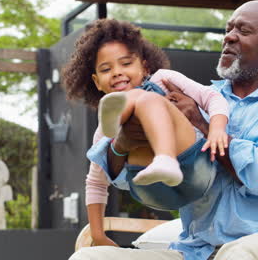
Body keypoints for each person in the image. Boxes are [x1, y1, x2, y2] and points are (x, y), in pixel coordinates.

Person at [70, 0, 258, 260]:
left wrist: (203, 125)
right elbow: (127, 182)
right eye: (229, 29)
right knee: (90, 258)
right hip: (192, 251)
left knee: (239, 254)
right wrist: (122, 144)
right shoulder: (200, 94)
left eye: (244, 31)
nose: (229, 37)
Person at [62, 18, 230, 246]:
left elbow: (211, 97)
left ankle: (164, 156)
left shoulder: (164, 79)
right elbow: (95, 183)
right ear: (96, 82)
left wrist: (217, 129)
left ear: (145, 67)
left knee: (147, 98)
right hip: (149, 186)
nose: (117, 72)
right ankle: (141, 140)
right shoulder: (103, 129)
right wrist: (98, 235)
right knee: (112, 139)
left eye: (126, 64)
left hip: (194, 170)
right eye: (106, 69)